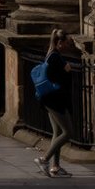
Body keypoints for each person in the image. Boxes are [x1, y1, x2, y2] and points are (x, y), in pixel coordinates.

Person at [33, 28, 80, 177]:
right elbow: (60, 78)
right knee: (68, 132)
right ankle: (44, 159)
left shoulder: (51, 55)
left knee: (57, 132)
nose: (69, 45)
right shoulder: (55, 57)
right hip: (55, 100)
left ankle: (56, 167)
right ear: (59, 42)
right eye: (67, 42)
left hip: (48, 98)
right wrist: (67, 70)